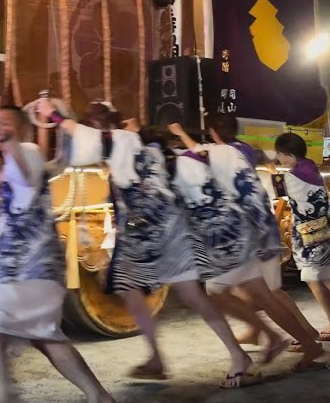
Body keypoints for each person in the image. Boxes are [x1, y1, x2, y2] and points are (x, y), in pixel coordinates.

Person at [47, 103, 257, 387]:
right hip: (146, 231)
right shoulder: (140, 145)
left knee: (191, 295)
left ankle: (237, 355)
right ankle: (156, 358)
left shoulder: (120, 140)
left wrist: (54, 114)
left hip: (162, 229)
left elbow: (89, 138)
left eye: (94, 124)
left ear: (103, 126)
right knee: (130, 289)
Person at [0, 106, 113, 403]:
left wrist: (8, 143)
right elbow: (22, 187)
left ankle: (7, 392)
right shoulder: (15, 161)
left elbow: (27, 173)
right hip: (31, 268)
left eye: (4, 123)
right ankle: (98, 396)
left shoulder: (27, 152)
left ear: (19, 128)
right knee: (46, 336)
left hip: (30, 268)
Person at [167, 116, 326, 374]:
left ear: (213, 132)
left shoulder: (209, 152)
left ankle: (268, 339)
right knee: (262, 293)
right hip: (259, 228)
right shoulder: (242, 150)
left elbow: (190, 155)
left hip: (237, 232)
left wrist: (175, 132)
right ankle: (308, 344)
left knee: (216, 294)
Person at [274, 133, 330, 339]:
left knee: (311, 275)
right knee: (324, 273)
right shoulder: (307, 166)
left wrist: (272, 173)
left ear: (287, 154)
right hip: (327, 226)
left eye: (279, 153)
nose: (278, 158)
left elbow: (279, 190)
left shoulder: (294, 175)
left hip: (314, 230)